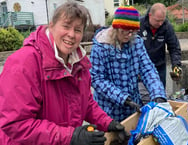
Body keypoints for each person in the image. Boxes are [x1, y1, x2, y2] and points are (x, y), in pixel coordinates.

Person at [0, 2, 127, 145]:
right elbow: (16, 124)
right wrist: (70, 137)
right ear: (51, 25)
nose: (71, 35)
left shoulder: (78, 62)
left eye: (78, 30)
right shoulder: (23, 63)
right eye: (66, 26)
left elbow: (85, 103)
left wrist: (108, 123)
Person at [90, 5, 168, 122]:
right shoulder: (101, 47)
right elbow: (96, 79)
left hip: (132, 107)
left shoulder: (136, 43)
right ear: (116, 27)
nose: (130, 35)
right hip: (108, 111)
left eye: (133, 31)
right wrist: (122, 98)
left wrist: (158, 94)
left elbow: (147, 69)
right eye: (125, 31)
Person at [137, 3, 182, 87]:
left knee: (160, 94)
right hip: (141, 68)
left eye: (162, 20)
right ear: (150, 15)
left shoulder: (167, 27)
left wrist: (176, 66)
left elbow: (174, 48)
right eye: (157, 20)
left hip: (159, 67)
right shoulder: (139, 25)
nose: (160, 23)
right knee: (142, 95)